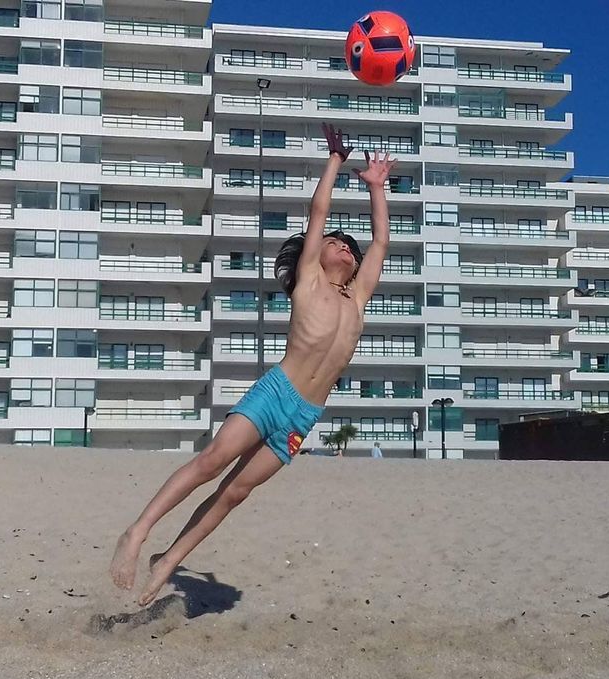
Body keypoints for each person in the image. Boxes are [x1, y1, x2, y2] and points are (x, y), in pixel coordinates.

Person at [110, 123, 396, 606]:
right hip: (277, 390)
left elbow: (382, 243)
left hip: (304, 415)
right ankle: (136, 533)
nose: (346, 247)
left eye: (351, 246)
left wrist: (376, 188)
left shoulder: (358, 296)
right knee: (212, 462)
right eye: (335, 242)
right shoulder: (309, 280)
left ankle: (169, 561)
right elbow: (319, 210)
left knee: (235, 492)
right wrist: (334, 163)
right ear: (316, 250)